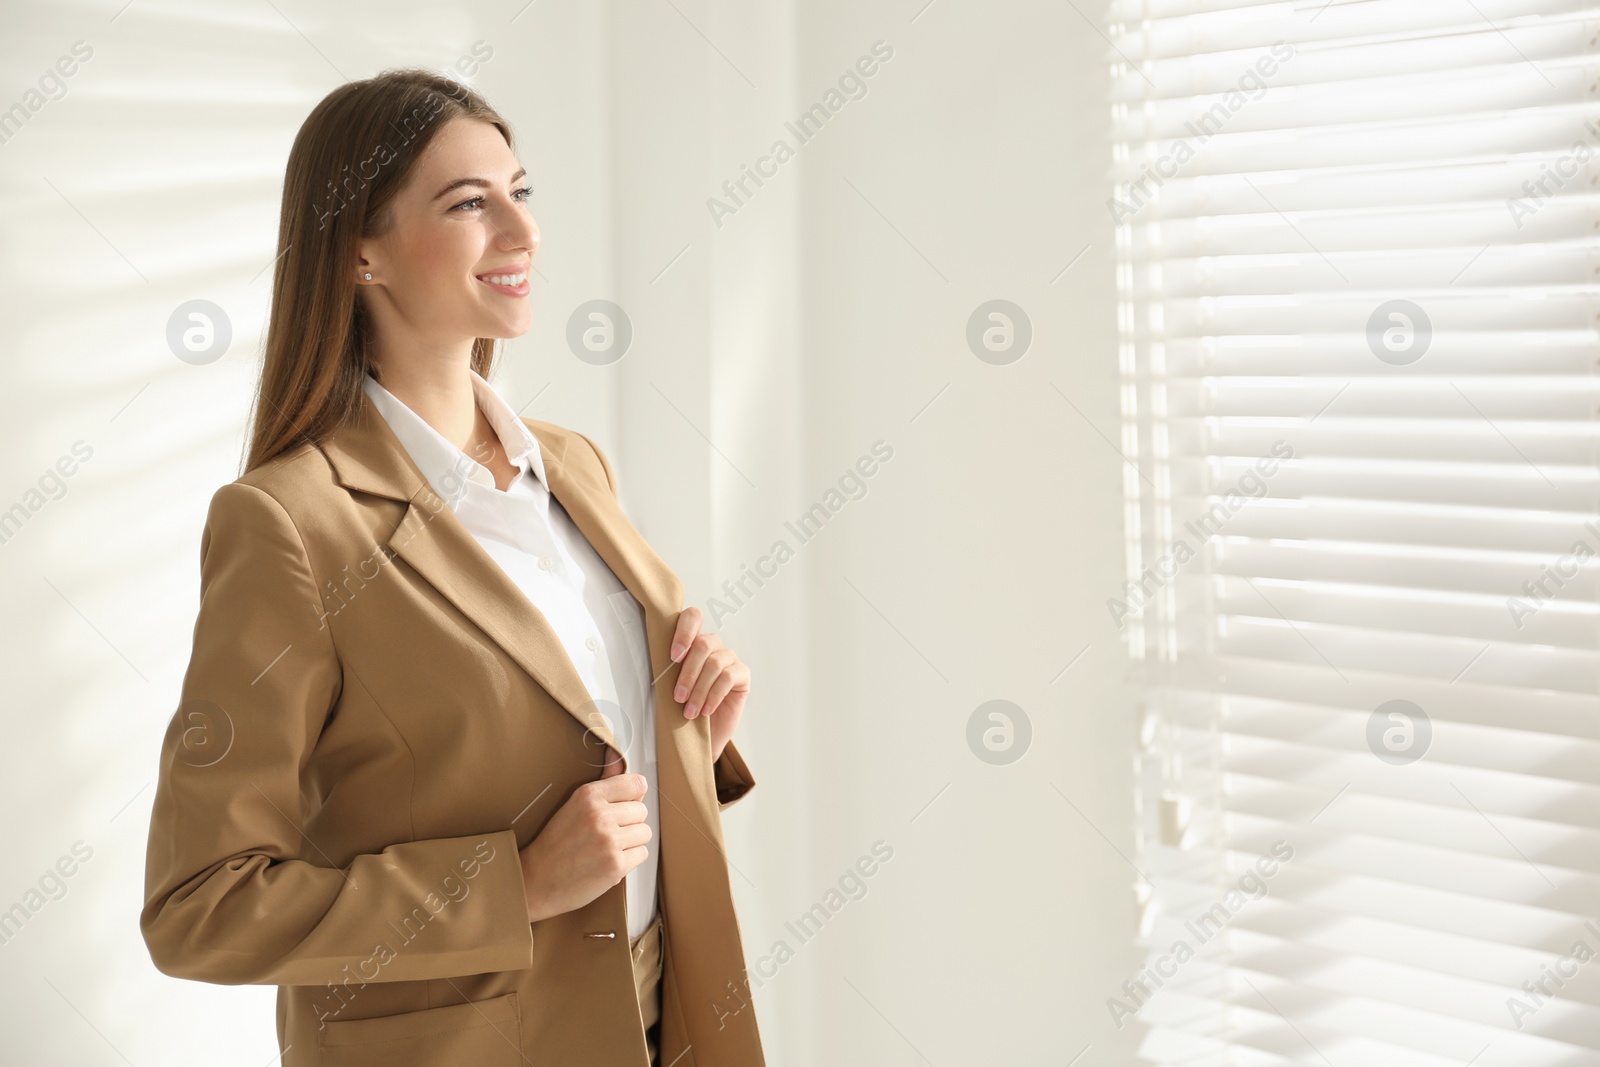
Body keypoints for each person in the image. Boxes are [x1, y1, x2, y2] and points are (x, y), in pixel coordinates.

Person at [139, 68, 766, 1067]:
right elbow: (201, 905)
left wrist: (684, 723)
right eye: (470, 204)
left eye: (520, 192)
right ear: (362, 254)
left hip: (650, 1026)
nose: (521, 232)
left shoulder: (570, 466)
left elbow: (558, 736)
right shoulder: (287, 526)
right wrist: (510, 882)